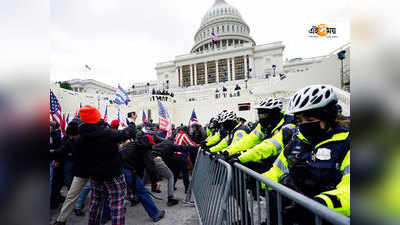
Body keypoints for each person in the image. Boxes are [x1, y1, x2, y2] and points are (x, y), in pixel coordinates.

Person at [261, 84, 350, 225]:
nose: (304, 125)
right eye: (299, 120)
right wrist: (259, 181)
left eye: (309, 120)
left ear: (327, 117)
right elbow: (276, 171)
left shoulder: (346, 144)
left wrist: (319, 203)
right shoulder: (297, 142)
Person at [76, 105, 130, 225]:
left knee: (95, 202)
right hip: (113, 174)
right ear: (96, 117)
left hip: (95, 175)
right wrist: (131, 123)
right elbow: (125, 134)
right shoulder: (107, 133)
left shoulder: (80, 138)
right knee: (117, 204)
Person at [224, 98, 295, 174]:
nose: (261, 117)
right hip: (272, 165)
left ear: (274, 113)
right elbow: (248, 140)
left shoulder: (288, 125)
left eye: (263, 114)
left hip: (288, 169)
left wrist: (241, 157)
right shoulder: (263, 126)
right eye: (259, 114)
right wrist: (227, 152)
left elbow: (269, 146)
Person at [120, 131, 166, 221]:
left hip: (117, 169)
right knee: (142, 192)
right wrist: (155, 181)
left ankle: (105, 216)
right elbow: (150, 167)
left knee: (113, 193)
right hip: (128, 171)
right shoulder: (145, 149)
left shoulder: (133, 144)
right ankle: (155, 214)